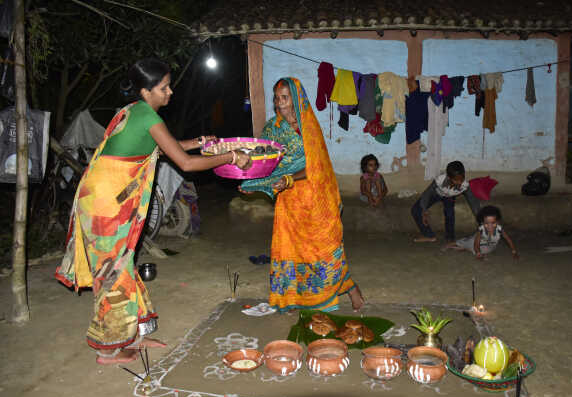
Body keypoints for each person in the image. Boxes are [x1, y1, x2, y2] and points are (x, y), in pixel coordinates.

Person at [55, 58, 251, 365]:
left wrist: (198, 142)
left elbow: (159, 148)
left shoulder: (134, 111)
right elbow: (184, 164)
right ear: (146, 91)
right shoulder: (146, 115)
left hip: (103, 198)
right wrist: (230, 156)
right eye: (163, 87)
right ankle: (108, 349)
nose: (170, 92)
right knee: (113, 273)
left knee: (123, 266)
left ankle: (135, 334)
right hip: (105, 205)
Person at [239, 77, 364, 313]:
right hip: (289, 202)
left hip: (316, 198)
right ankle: (293, 298)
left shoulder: (309, 128)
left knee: (325, 248)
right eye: (277, 98)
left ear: (296, 99)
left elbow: (316, 167)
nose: (280, 103)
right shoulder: (272, 129)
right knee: (291, 250)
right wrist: (253, 182)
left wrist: (288, 179)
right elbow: (265, 163)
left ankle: (351, 288)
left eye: (285, 98)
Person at [411, 160, 480, 243]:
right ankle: (429, 235)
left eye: (461, 179)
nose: (459, 182)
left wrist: (481, 219)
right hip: (436, 194)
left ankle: (450, 238)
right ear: (449, 177)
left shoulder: (465, 186)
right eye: (456, 180)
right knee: (415, 209)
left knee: (449, 213)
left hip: (449, 197)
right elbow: (427, 193)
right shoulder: (440, 180)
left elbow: (473, 202)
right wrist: (424, 210)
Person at [444, 205, 519, 259]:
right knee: (466, 242)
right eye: (486, 223)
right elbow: (476, 242)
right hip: (476, 241)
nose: (490, 226)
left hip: (488, 245)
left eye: (493, 223)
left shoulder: (500, 229)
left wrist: (514, 252)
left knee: (487, 250)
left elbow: (508, 240)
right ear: (482, 223)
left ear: (498, 222)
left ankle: (466, 249)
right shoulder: (481, 230)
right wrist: (478, 253)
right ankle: (452, 244)